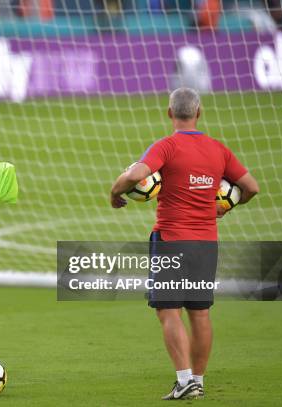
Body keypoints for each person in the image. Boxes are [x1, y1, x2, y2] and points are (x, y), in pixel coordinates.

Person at [110, 87, 259, 399]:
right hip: (206, 242)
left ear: (169, 113)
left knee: (168, 311)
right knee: (201, 313)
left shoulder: (166, 147)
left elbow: (136, 173)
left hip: (171, 240)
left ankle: (184, 380)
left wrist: (114, 193)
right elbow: (251, 187)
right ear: (199, 112)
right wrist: (226, 206)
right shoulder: (219, 150)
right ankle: (198, 381)